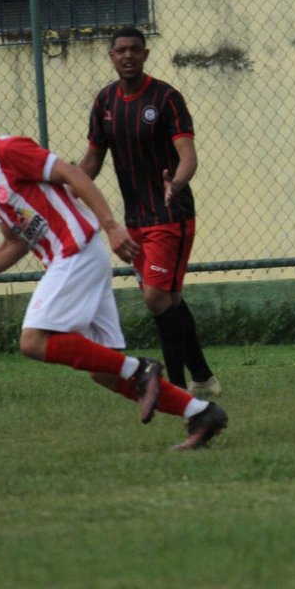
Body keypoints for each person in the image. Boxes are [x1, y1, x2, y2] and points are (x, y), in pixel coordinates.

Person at [0, 91, 228, 451]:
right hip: (76, 258)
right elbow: (15, 243)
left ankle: (141, 369)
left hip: (76, 252)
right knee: (104, 371)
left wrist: (112, 225)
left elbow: (72, 174)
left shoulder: (9, 151)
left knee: (33, 341)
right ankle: (201, 413)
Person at [78, 27, 220, 402]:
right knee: (168, 302)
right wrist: (66, 190)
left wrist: (178, 180)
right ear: (111, 56)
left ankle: (173, 387)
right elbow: (93, 159)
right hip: (135, 220)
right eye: (120, 50)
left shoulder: (167, 97)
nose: (128, 56)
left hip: (170, 213)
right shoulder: (105, 102)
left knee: (157, 298)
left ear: (145, 54)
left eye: (135, 50)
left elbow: (187, 154)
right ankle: (202, 378)